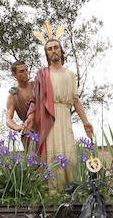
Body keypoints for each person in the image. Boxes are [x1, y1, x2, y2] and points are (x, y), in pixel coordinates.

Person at [25, 27, 94, 190]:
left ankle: (71, 192)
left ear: (61, 51)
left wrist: (86, 122)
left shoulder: (69, 75)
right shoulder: (42, 74)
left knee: (69, 158)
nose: (53, 51)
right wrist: (30, 117)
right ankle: (53, 196)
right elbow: (34, 99)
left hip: (64, 116)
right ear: (46, 54)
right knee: (51, 157)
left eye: (56, 47)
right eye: (49, 49)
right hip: (48, 119)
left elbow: (75, 100)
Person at [6, 60, 35, 146]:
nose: (25, 73)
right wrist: (18, 127)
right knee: (32, 158)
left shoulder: (37, 86)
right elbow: (8, 119)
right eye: (21, 71)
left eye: (26, 70)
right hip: (28, 133)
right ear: (14, 75)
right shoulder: (13, 96)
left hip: (45, 129)